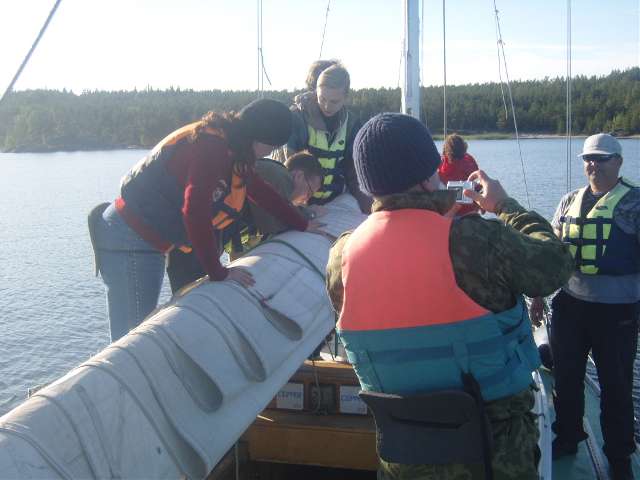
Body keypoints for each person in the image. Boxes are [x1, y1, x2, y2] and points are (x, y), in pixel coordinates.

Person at [325, 113, 574, 479]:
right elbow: (555, 265)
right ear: (429, 175)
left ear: (369, 186)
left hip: (406, 456)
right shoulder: (474, 240)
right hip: (493, 452)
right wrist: (506, 207)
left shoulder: (340, 257)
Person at [91, 99, 321, 342]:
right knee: (130, 339)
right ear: (258, 137)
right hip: (130, 240)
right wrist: (218, 272)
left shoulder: (233, 148)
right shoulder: (211, 148)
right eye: (271, 146)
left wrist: (303, 224)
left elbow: (260, 192)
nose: (270, 153)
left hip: (144, 242)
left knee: (135, 337)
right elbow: (195, 212)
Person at [543, 133, 639, 479]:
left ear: (619, 161)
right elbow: (551, 253)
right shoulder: (569, 201)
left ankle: (620, 456)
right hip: (569, 305)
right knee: (566, 378)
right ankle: (567, 436)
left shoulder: (635, 204)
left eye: (600, 158)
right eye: (587, 159)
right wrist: (539, 293)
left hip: (617, 311)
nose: (592, 165)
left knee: (616, 385)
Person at [166, 150, 325, 293]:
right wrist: (307, 216)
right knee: (189, 292)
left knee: (187, 293)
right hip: (192, 242)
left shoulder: (275, 174)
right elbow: (274, 224)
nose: (306, 200)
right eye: (309, 191)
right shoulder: (280, 178)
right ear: (298, 175)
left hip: (196, 238)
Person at [282, 60, 371, 213]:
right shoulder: (297, 119)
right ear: (315, 91)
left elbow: (355, 171)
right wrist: (299, 211)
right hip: (299, 204)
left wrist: (369, 208)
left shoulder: (351, 125)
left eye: (334, 101)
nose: (327, 106)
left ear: (346, 98)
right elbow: (286, 173)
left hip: (336, 202)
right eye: (322, 99)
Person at [438, 133, 480, 216]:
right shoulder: (469, 160)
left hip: (448, 214)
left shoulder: (440, 164)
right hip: (470, 213)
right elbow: (478, 183)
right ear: (463, 147)